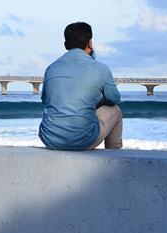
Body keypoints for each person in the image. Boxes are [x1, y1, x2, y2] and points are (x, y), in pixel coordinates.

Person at [38, 22, 123, 151]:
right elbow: (114, 99)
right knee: (115, 110)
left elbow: (45, 100)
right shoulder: (100, 69)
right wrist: (98, 102)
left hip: (49, 139)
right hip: (83, 141)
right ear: (90, 43)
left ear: (66, 44)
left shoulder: (51, 68)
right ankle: (114, 155)